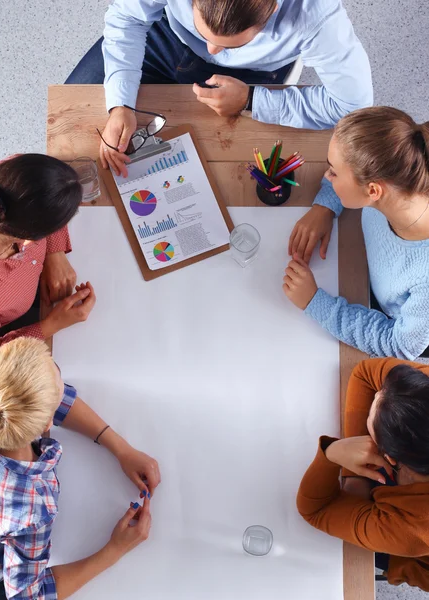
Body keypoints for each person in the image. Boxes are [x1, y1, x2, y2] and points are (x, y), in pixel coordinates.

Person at [0, 335, 161, 600]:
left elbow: (25, 398)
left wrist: (120, 447)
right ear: (46, 424)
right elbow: (28, 596)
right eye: (60, 383)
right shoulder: (28, 512)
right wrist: (114, 551)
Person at [66, 0, 372, 177]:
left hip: (250, 76)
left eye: (228, 43)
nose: (212, 52)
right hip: (164, 38)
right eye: (206, 33)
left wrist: (252, 99)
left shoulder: (317, 15)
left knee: (225, 171)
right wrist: (120, 103)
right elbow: (127, 18)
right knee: (70, 125)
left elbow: (352, 106)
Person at [283, 107, 429, 359]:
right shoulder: (400, 159)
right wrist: (324, 207)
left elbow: (399, 346)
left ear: (373, 191)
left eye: (334, 172)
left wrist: (315, 302)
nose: (327, 176)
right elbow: (352, 167)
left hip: (396, 321)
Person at [0, 154, 94, 373]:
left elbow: (44, 179)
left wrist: (54, 253)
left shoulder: (7, 178)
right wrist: (51, 324)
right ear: (31, 240)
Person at [297, 357, 429, 591]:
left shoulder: (409, 528)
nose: (376, 395)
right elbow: (366, 373)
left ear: (388, 455)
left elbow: (316, 510)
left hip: (414, 549)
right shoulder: (421, 389)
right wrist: (355, 478)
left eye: (370, 418)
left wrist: (333, 453)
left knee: (363, 554)